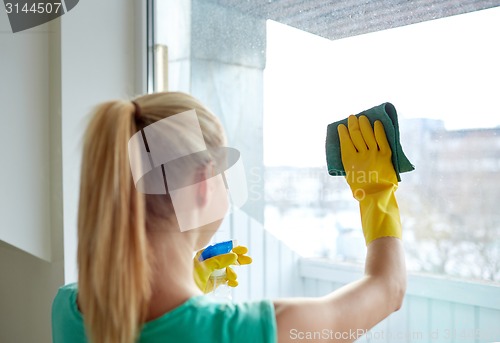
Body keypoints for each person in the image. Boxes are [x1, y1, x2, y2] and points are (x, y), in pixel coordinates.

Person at [52, 92, 406, 343]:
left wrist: (185, 279)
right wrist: (375, 194)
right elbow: (388, 290)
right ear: (204, 183)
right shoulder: (252, 333)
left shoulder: (69, 308)